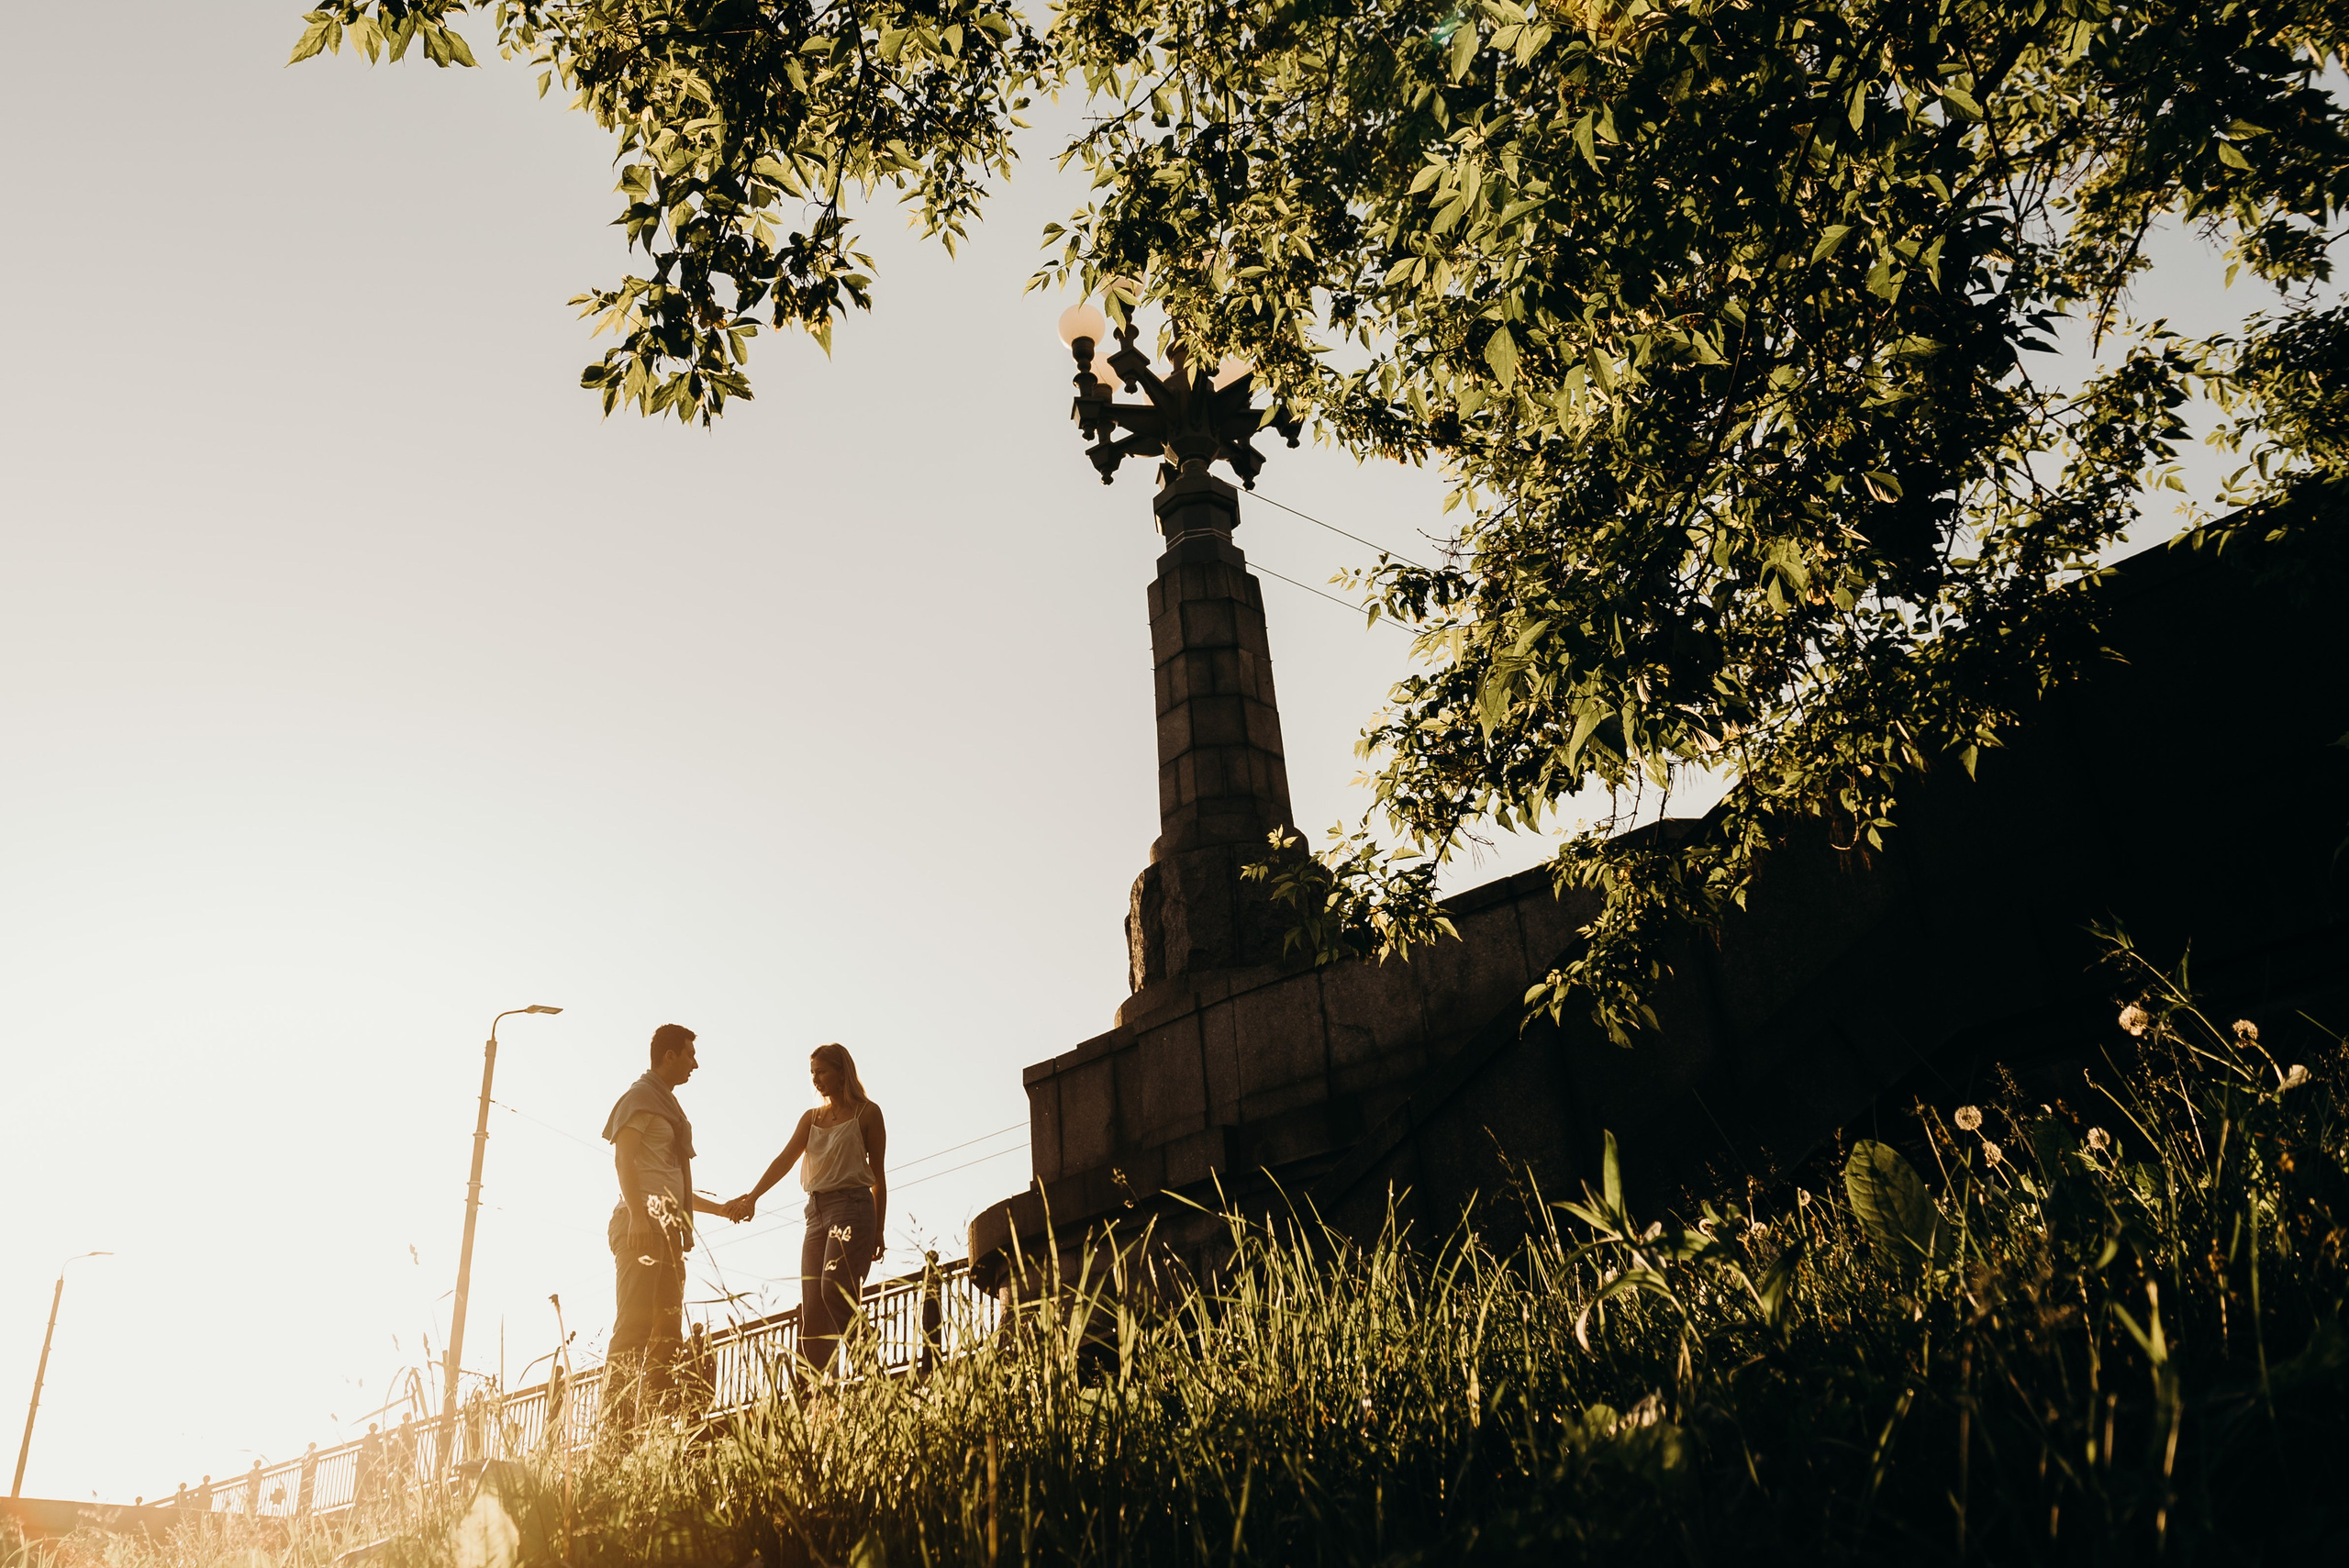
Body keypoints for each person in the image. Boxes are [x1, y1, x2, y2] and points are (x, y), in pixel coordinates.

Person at [601, 1023, 741, 1419]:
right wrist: (639, 1218)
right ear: (669, 1056)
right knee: (634, 1327)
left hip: (667, 1229)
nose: (694, 1064)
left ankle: (656, 1425)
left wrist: (721, 1208)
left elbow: (672, 1185)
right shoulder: (641, 1098)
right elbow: (623, 1158)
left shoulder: (668, 1108)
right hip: (639, 1225)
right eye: (690, 1055)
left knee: (667, 1331)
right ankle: (616, 1429)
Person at [731, 1043, 888, 1380]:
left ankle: (869, 1367)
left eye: (822, 1071)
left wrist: (879, 1229)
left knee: (833, 1288)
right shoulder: (812, 1118)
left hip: (853, 1208)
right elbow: (785, 1159)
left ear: (842, 1071)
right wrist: (754, 1196)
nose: (816, 1079)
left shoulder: (868, 1114)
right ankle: (821, 1393)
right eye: (812, 1073)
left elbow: (878, 1177)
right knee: (814, 1310)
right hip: (815, 1214)